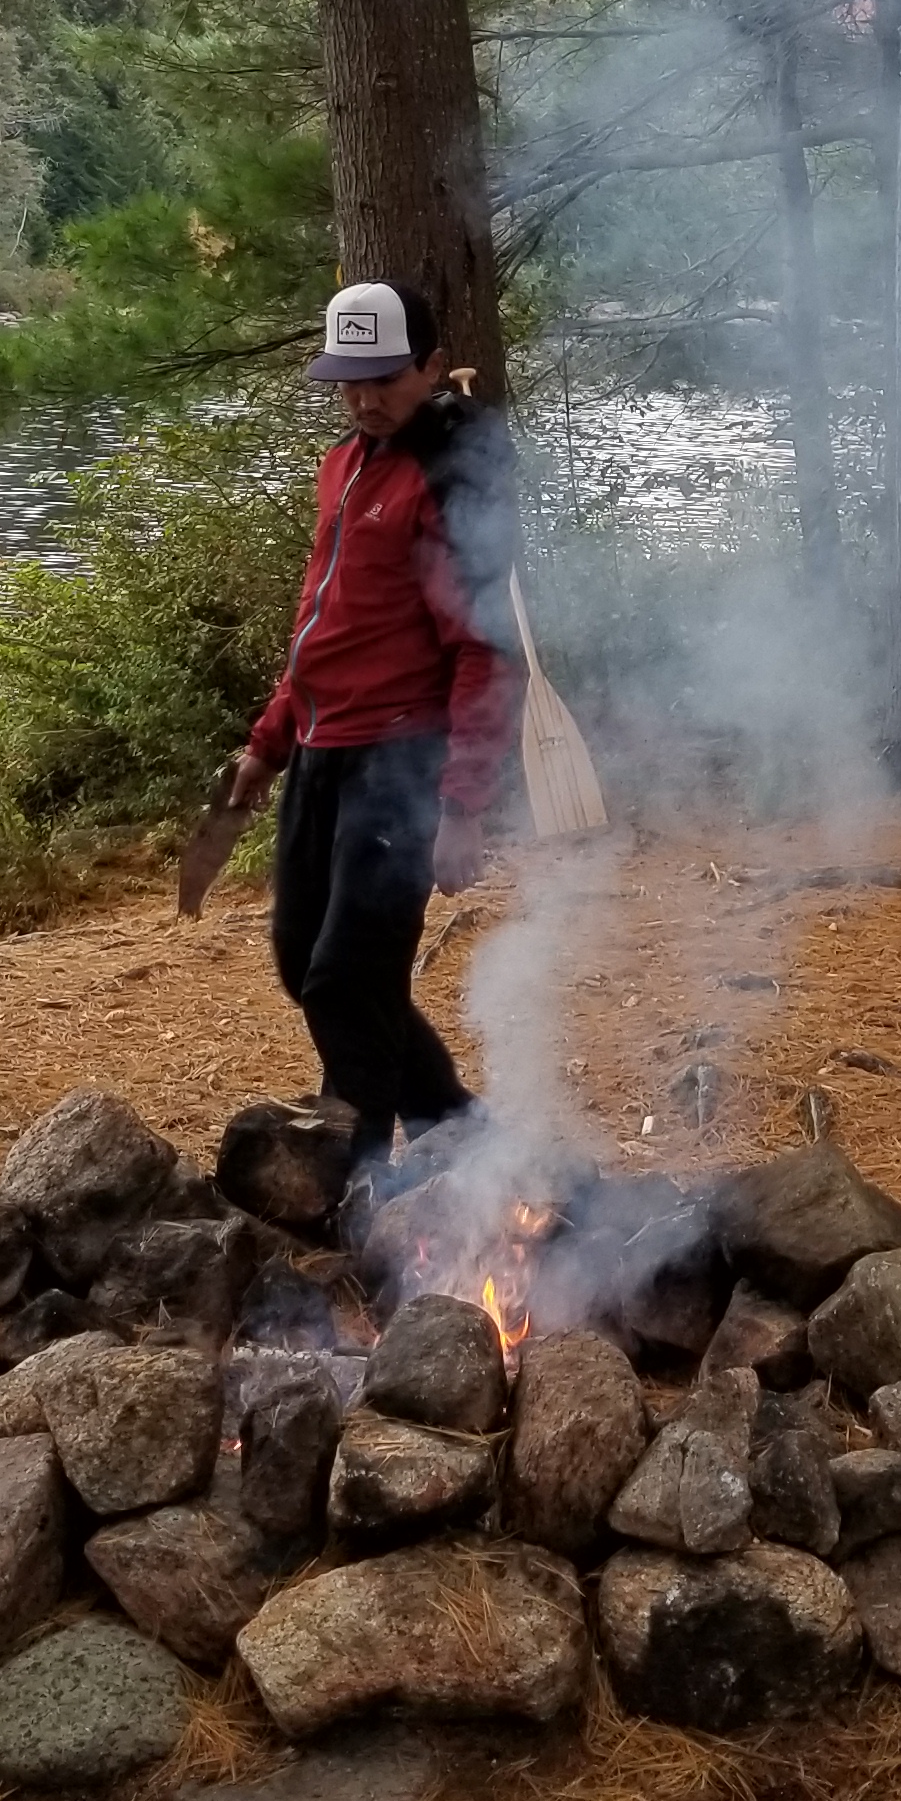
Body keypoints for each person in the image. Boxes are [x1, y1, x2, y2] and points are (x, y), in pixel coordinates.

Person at [222, 279, 519, 1154]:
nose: (364, 396)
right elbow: (322, 629)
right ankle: (459, 1131)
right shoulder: (346, 467)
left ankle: (361, 1181)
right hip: (323, 751)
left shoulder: (450, 479)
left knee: (348, 976)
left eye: (385, 377)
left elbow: (485, 651)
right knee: (301, 959)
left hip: (405, 761)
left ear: (431, 367)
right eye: (349, 378)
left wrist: (462, 808)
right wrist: (268, 744)